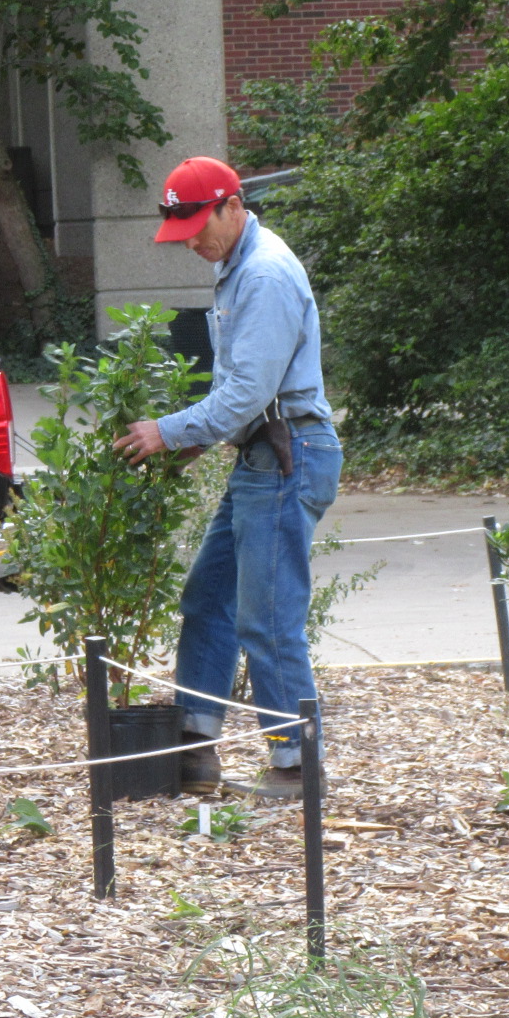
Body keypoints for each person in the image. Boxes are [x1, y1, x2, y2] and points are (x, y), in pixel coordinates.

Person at [112, 156, 342, 799]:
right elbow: (236, 390)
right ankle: (195, 748)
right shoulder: (233, 266)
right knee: (207, 598)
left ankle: (296, 769)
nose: (190, 240)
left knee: (267, 621)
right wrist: (194, 441)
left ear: (232, 206)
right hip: (262, 456)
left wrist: (169, 430)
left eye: (196, 225)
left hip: (289, 456)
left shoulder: (264, 274)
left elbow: (246, 394)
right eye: (179, 228)